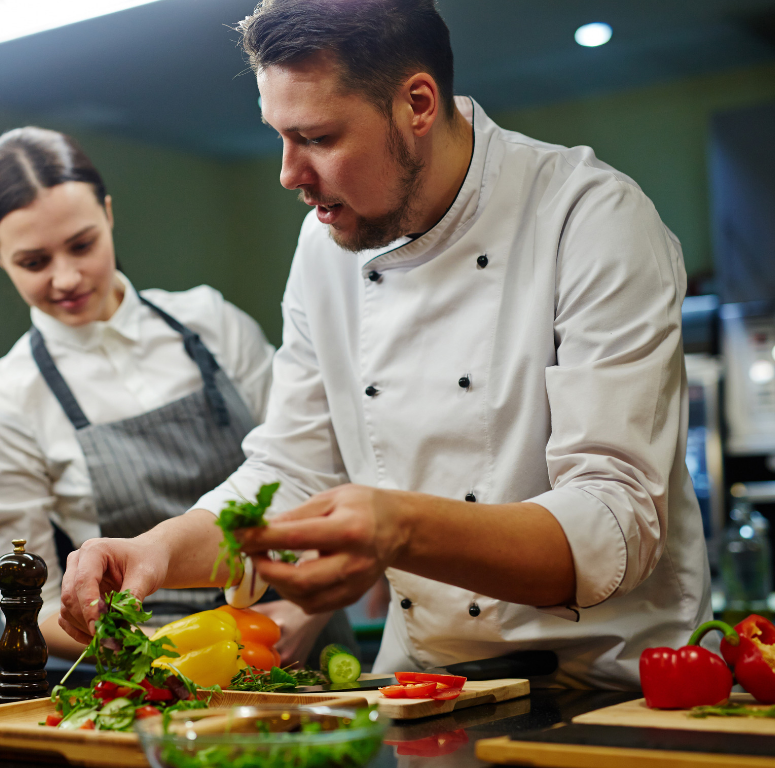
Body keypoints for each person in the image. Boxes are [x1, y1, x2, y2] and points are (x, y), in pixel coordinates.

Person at [58, 0, 711, 689]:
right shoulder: (325, 244)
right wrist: (154, 550)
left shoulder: (590, 218)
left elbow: (615, 521)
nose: (288, 174)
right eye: (279, 136)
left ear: (417, 104)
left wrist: (397, 528)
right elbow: (291, 473)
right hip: (429, 687)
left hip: (615, 689)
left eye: (316, 136)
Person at [0, 127, 342, 660]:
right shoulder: (7, 403)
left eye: (82, 244)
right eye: (33, 262)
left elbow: (317, 471)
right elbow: (31, 607)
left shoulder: (211, 324)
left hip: (303, 635)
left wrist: (307, 612)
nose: (66, 277)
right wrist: (163, 651)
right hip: (151, 670)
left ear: (109, 215)